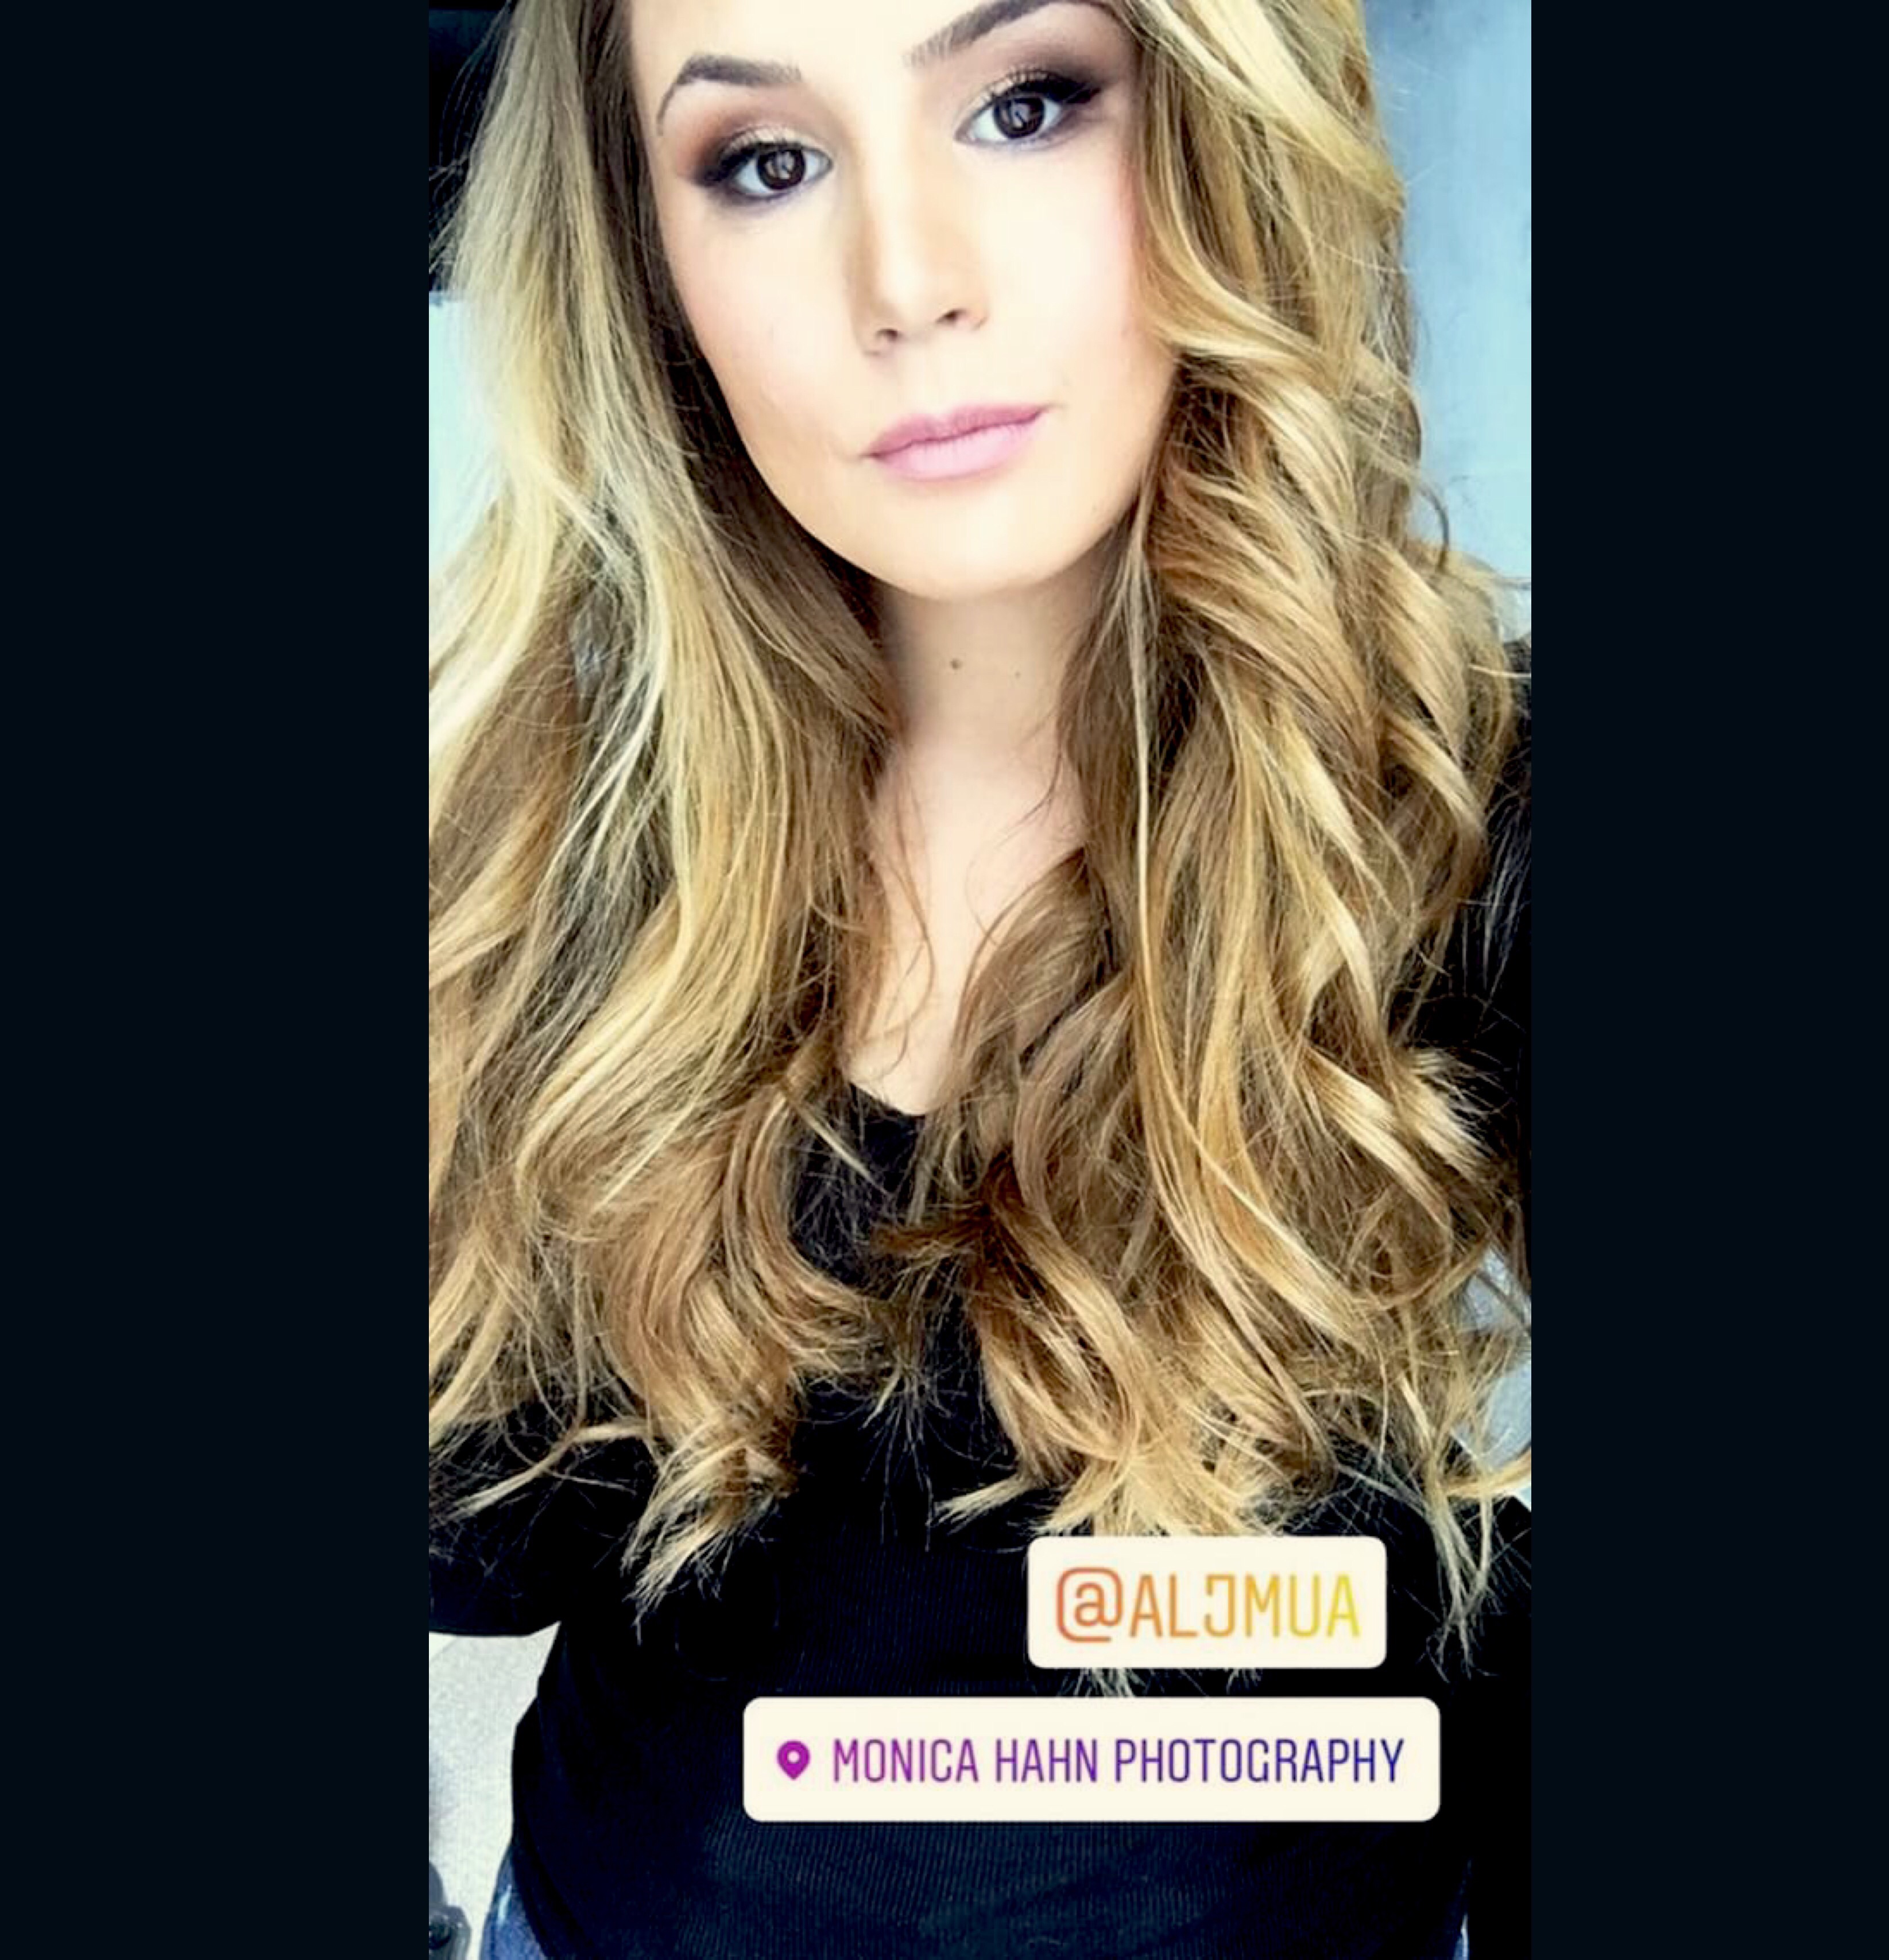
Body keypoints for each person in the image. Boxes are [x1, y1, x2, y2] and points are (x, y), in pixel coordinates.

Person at [429, 2, 1531, 1955]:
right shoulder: (542, 833)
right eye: (766, 163)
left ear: (1215, 127)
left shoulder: (1469, 799)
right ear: (647, 260)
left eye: (1026, 104)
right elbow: (482, 1554)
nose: (909, 281)